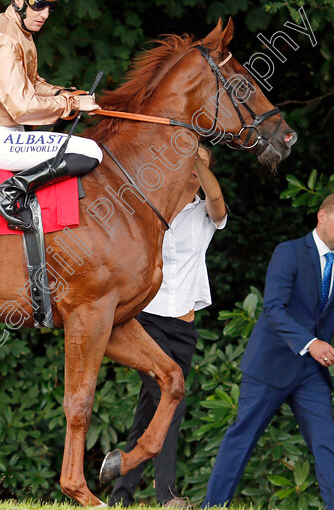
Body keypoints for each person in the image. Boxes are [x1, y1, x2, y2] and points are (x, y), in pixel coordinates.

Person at [203, 192, 334, 509]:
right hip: (269, 366)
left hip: (311, 373)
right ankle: (213, 506)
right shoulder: (288, 253)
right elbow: (274, 310)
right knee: (241, 440)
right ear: (322, 216)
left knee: (327, 447)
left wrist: (320, 351)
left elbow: (324, 320)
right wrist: (312, 344)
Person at [109, 145, 227, 508]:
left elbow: (217, 198)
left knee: (150, 407)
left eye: (203, 165)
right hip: (144, 320)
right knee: (170, 395)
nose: (195, 169)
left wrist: (193, 157)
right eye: (191, 163)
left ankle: (121, 494)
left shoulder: (208, 214)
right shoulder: (150, 207)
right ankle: (167, 496)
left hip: (184, 325)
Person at [0, 0, 103, 230]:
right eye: (38, 4)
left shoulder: (16, 32)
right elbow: (22, 107)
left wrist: (67, 94)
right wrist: (70, 103)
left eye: (51, 6)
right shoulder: (3, 39)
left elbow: (31, 83)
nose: (45, 13)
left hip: (8, 135)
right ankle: (9, 192)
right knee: (91, 152)